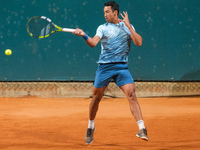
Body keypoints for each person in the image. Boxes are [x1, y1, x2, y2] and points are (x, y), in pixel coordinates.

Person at [73, 1, 148, 144]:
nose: (105, 15)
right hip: (105, 68)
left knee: (131, 94)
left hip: (121, 67)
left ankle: (142, 128)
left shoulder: (127, 26)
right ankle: (90, 126)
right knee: (96, 98)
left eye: (107, 12)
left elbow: (139, 42)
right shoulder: (103, 27)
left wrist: (129, 27)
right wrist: (84, 35)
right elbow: (94, 43)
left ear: (115, 12)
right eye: (104, 13)